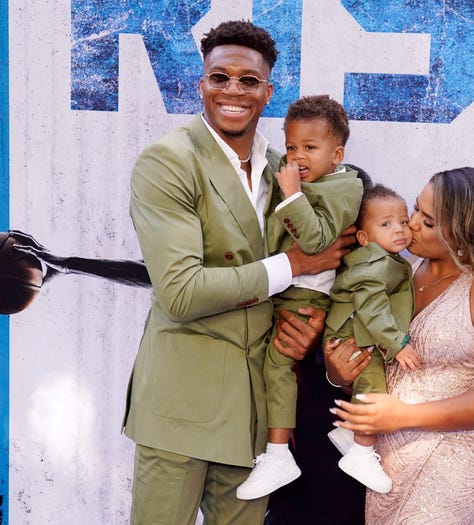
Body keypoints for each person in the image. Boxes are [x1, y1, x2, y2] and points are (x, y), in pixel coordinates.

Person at [124, 20, 354, 525]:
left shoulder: (285, 168)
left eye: (247, 80)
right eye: (219, 77)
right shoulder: (169, 161)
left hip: (255, 413)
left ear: (267, 91)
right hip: (182, 407)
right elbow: (182, 293)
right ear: (201, 84)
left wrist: (307, 327)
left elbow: (321, 269)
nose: (233, 90)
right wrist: (292, 265)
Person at [326, 167, 474, 524]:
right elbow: (381, 359)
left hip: (450, 464)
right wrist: (340, 373)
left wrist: (403, 416)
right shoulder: (401, 271)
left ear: (463, 235)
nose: (409, 225)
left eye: (427, 221)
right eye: (415, 210)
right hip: (385, 462)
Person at [236, 95, 363, 500]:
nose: (297, 156)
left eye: (310, 148)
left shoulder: (341, 188)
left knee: (276, 366)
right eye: (291, 147)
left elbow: (315, 241)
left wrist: (290, 193)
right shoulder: (314, 185)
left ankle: (278, 454)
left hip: (306, 300)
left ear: (337, 153)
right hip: (287, 294)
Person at [323, 184, 419, 494]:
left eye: (404, 221)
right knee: (373, 388)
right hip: (353, 335)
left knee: (371, 384)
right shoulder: (373, 264)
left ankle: (349, 435)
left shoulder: (386, 260)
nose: (399, 230)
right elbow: (372, 308)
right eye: (386, 224)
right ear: (363, 238)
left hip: (358, 331)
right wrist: (397, 344)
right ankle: (361, 455)